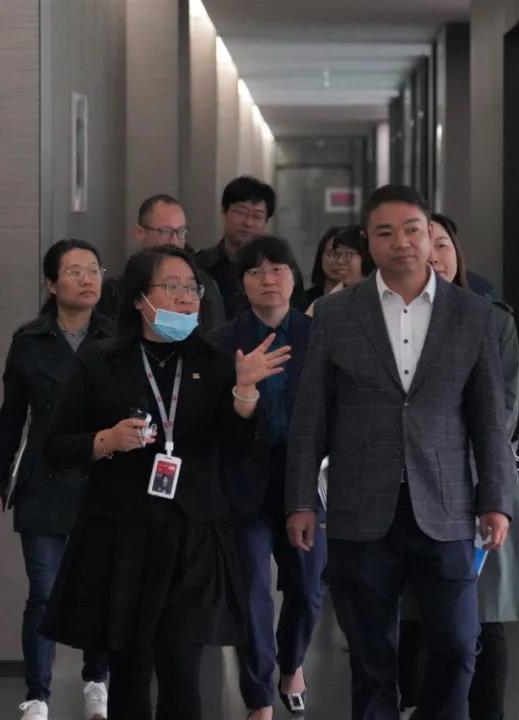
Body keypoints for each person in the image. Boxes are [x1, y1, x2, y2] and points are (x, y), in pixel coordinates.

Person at [285, 185, 515, 720]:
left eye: (412, 230)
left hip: (447, 505)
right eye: (385, 233)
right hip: (360, 507)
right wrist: (301, 500)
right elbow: (311, 415)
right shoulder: (336, 314)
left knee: (458, 643)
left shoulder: (472, 313)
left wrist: (495, 500)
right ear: (369, 242)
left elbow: (489, 418)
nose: (402, 243)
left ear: (430, 236)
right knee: (371, 656)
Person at [39, 246, 290, 720]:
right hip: (123, 534)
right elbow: (55, 447)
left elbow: (242, 448)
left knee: (181, 666)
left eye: (192, 288)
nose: (186, 297)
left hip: (194, 533)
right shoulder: (101, 362)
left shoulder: (217, 362)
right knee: (130, 670)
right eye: (171, 287)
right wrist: (106, 440)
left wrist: (245, 394)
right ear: (139, 299)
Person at [424, 212, 519, 720]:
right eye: (422, 241)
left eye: (442, 243)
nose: (433, 254)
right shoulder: (386, 323)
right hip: (413, 486)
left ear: (457, 254)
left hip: (480, 481)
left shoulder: (492, 319)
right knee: (421, 615)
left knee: (485, 613)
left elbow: (504, 409)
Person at [0, 239, 113, 720]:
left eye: (94, 270)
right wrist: (0, 472)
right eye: (75, 271)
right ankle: (37, 694)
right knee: (43, 592)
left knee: (99, 587)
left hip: (103, 477)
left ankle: (97, 681)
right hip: (44, 479)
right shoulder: (29, 340)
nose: (87, 279)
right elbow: (12, 414)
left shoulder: (117, 336)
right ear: (52, 284)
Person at [210, 236, 325, 720]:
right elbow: (215, 421)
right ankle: (258, 697)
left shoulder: (319, 335)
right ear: (242, 284)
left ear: (294, 277)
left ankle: (291, 662)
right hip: (245, 480)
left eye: (277, 268)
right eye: (255, 271)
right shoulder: (221, 342)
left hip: (305, 480)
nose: (268, 278)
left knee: (307, 587)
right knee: (252, 590)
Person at [98, 194, 226, 328]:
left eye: (181, 232)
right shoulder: (116, 290)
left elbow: (215, 335)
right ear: (140, 233)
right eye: (166, 232)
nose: (174, 242)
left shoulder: (204, 285)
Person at [196, 176, 306, 318]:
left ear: (266, 221)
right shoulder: (200, 265)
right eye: (241, 212)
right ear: (224, 211)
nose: (248, 223)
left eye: (257, 216)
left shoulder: (283, 270)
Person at [304, 224, 375, 316]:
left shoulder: (378, 296)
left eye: (348, 254)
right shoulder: (324, 303)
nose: (339, 261)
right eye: (338, 254)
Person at [303, 227, 343, 306]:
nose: (335, 260)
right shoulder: (305, 299)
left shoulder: (359, 300)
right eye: (330, 254)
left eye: (340, 254)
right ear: (321, 256)